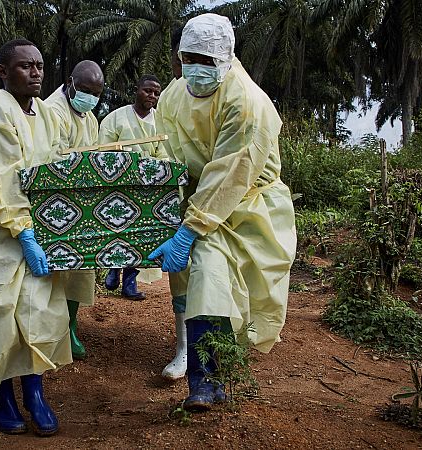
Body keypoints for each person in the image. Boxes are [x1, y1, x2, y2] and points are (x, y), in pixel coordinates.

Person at [151, 14, 297, 411]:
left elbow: (231, 173)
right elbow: (168, 152)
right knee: (193, 285)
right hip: (200, 202)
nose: (195, 68)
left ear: (225, 58)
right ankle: (201, 372)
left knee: (210, 283)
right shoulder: (173, 95)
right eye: (188, 57)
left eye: (205, 60)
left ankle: (207, 376)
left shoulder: (246, 102)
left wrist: (189, 229)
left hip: (245, 204)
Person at [0, 39, 70, 436]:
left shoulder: (48, 114)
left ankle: (35, 393)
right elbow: (0, 181)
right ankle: (1, 396)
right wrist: (24, 233)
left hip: (39, 227)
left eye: (39, 65)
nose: (36, 72)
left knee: (37, 310)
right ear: (3, 72)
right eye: (25, 66)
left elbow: (58, 163)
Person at [44, 61, 105, 360]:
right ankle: (53, 331)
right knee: (57, 270)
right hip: (54, 202)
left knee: (81, 268)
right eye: (84, 91)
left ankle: (71, 326)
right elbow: (52, 159)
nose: (90, 97)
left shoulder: (90, 117)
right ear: (70, 82)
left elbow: (92, 155)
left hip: (82, 203)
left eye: (96, 93)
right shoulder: (53, 111)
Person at [99, 74, 163, 301]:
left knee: (139, 235)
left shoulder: (161, 122)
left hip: (147, 189)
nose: (152, 96)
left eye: (156, 93)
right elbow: (103, 150)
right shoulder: (116, 118)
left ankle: (130, 280)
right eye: (147, 90)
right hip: (118, 186)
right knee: (116, 228)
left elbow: (164, 153)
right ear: (136, 90)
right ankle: (113, 268)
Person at [156, 27, 190, 381]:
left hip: (231, 203)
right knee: (182, 278)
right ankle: (183, 349)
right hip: (183, 199)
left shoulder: (237, 96)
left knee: (219, 278)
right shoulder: (170, 97)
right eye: (185, 57)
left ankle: (221, 350)